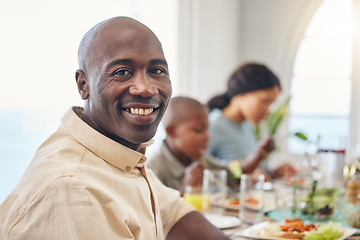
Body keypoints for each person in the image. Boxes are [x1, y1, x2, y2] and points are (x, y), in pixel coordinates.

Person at [0, 17, 230, 240]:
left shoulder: (117, 154)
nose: (146, 88)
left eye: (157, 71)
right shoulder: (73, 188)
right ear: (83, 85)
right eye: (122, 72)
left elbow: (173, 214)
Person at [206, 63, 296, 179]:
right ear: (242, 93)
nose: (268, 110)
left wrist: (274, 173)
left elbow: (251, 169)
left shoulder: (245, 125)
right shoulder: (213, 125)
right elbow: (204, 172)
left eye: (271, 104)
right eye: (265, 101)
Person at [147, 96, 238, 196]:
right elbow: (154, 208)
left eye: (207, 130)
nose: (207, 137)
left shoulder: (198, 158)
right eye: (198, 130)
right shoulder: (154, 169)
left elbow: (232, 178)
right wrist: (186, 188)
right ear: (172, 132)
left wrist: (258, 155)